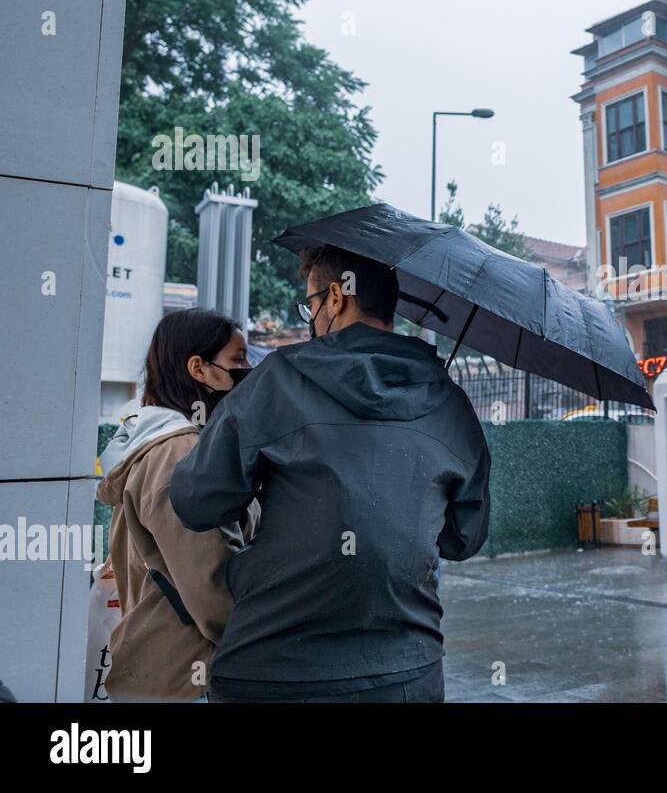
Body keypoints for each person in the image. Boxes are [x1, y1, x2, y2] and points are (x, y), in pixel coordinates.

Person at [170, 245, 491, 703]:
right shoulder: (452, 404)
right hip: (408, 674)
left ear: (337, 298)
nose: (311, 317)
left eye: (311, 303)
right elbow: (463, 539)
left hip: (274, 671)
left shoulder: (278, 377)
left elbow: (196, 502)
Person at [96, 309, 257, 702]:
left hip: (161, 670)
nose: (248, 371)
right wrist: (260, 642)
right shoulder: (179, 453)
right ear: (198, 368)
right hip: (186, 677)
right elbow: (209, 581)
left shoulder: (151, 441)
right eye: (237, 360)